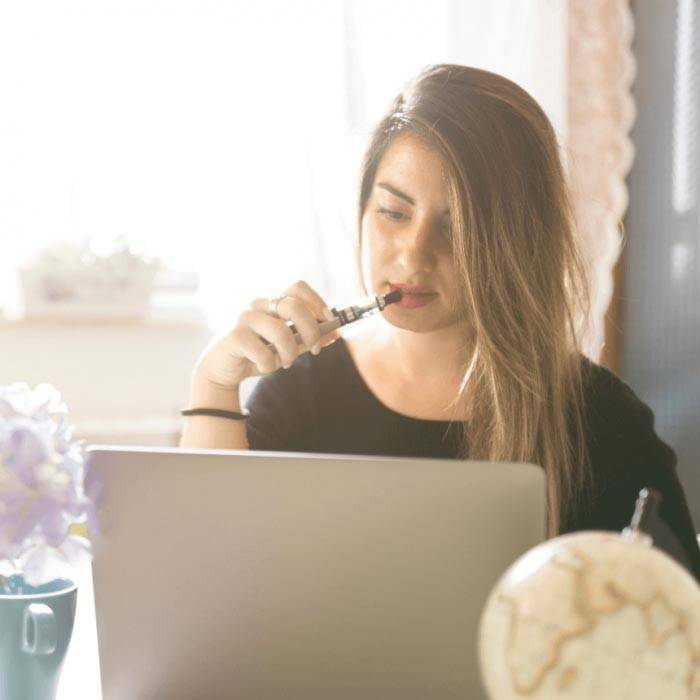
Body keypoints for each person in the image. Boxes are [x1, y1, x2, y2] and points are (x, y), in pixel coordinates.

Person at [180, 64, 700, 581]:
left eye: (457, 228)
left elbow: (678, 632)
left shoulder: (602, 422)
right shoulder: (300, 395)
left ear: (517, 243)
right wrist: (214, 382)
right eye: (393, 212)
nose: (412, 256)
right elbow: (207, 581)